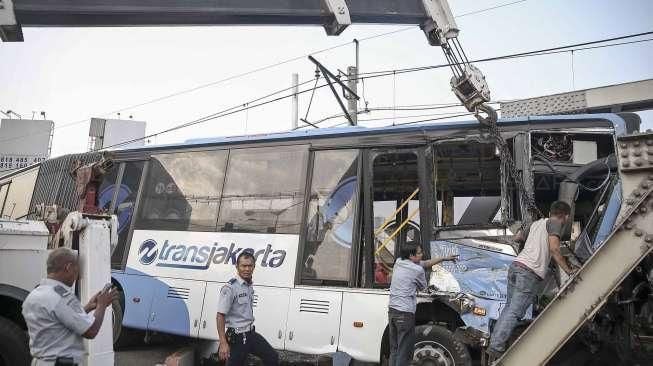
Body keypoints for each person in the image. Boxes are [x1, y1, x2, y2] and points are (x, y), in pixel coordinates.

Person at [488, 201, 577, 359]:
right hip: (528, 272)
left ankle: (495, 342)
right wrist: (569, 271)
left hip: (516, 267)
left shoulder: (536, 224)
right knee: (515, 311)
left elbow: (517, 237)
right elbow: (555, 249)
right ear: (566, 216)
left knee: (509, 308)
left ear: (550, 212)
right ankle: (496, 346)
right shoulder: (555, 223)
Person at [22, 247, 117, 366]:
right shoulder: (61, 297)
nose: (76, 276)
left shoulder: (34, 295)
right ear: (68, 268)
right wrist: (102, 305)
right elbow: (91, 331)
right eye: (76, 270)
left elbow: (58, 323)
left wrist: (88, 307)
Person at [388, 243, 458, 366]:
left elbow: (425, 263)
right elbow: (423, 288)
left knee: (395, 350)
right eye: (419, 253)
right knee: (404, 352)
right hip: (405, 314)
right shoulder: (417, 270)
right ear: (411, 256)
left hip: (393, 312)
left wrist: (444, 258)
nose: (422, 254)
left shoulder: (399, 262)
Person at [217, 251, 279, 366]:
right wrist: (223, 342)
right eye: (243, 266)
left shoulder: (248, 285)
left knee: (272, 357)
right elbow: (220, 315)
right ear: (237, 267)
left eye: (250, 266)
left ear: (254, 267)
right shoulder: (230, 288)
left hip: (250, 334)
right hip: (237, 337)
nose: (247, 269)